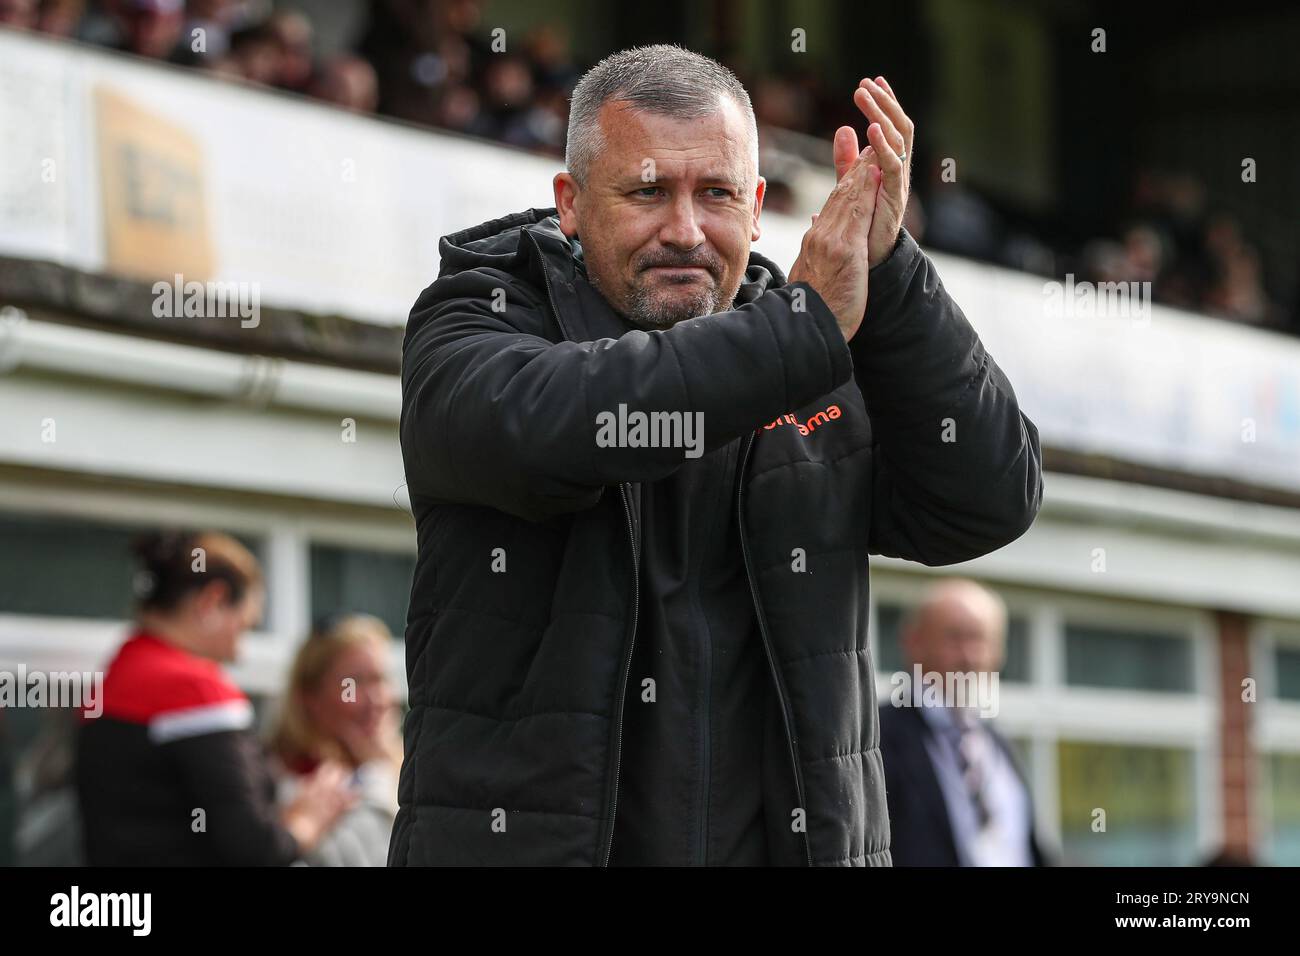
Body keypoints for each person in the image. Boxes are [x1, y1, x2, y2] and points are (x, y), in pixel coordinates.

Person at [392, 44, 1042, 867]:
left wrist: (894, 274)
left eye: (718, 195)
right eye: (649, 192)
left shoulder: (814, 349)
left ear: (759, 204)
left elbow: (987, 497)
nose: (686, 231)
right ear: (570, 202)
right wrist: (804, 329)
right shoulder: (476, 318)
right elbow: (550, 425)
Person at [76, 531, 355, 866]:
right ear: (212, 601)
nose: (239, 652)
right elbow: (253, 851)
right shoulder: (194, 690)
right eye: (245, 626)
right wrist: (306, 820)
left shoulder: (116, 673)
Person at [878, 579, 1052, 866]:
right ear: (914, 643)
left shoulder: (996, 741)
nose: (970, 656)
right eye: (955, 637)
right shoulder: (877, 738)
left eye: (982, 639)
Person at [268, 613, 403, 867]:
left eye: (380, 679)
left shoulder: (407, 768)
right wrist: (379, 772)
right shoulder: (289, 781)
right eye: (354, 683)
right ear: (309, 697)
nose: (376, 699)